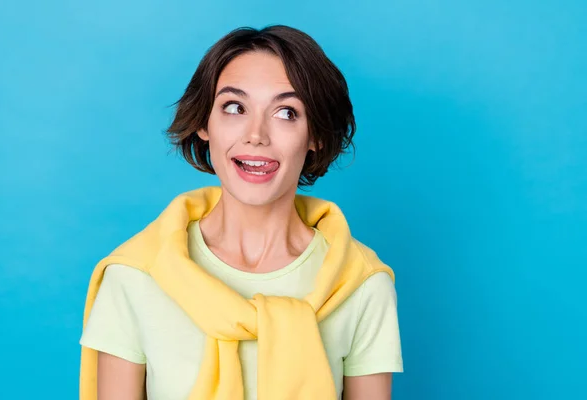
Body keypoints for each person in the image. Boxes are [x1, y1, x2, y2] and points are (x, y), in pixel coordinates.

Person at [79, 25, 403, 400]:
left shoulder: (361, 283)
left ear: (315, 136)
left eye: (286, 112)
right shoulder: (136, 275)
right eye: (235, 107)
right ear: (204, 123)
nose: (256, 135)